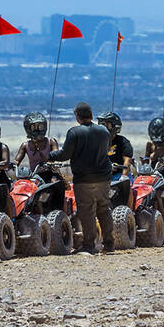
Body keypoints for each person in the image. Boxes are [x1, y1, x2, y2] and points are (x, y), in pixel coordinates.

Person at [49, 102, 115, 253]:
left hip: (84, 180)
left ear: (77, 116)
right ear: (91, 115)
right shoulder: (104, 131)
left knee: (87, 212)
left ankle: (89, 245)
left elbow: (65, 154)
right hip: (103, 178)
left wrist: (50, 156)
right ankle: (109, 244)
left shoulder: (74, 132)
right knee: (104, 209)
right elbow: (106, 149)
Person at [97, 111, 133, 179]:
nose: (102, 128)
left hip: (119, 175)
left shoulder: (123, 142)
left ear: (114, 126)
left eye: (105, 125)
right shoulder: (97, 142)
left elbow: (127, 162)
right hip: (102, 176)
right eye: (100, 125)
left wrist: (124, 176)